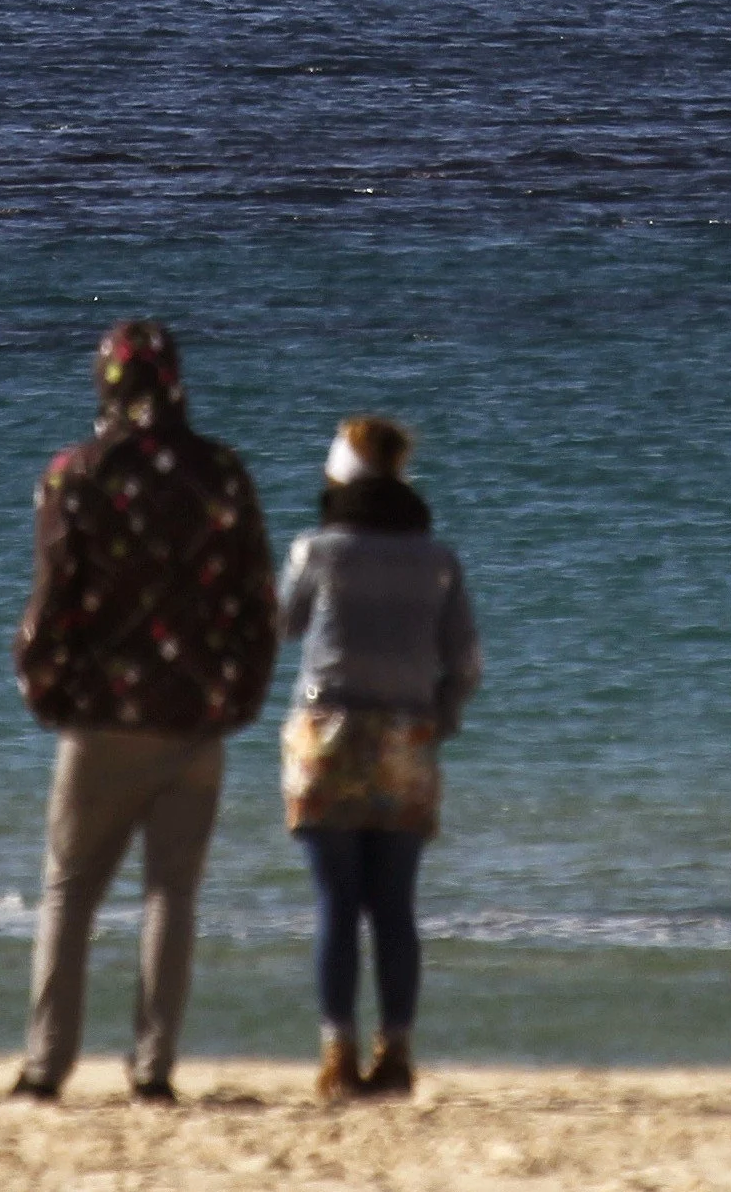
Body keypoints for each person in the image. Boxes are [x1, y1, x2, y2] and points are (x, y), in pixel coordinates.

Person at [10, 319, 277, 1101]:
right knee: (171, 894)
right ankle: (153, 1068)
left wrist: (42, 684)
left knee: (68, 892)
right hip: (195, 717)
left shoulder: (76, 473)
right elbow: (255, 602)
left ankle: (45, 1065)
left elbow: (53, 597)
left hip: (98, 719)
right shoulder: (223, 473)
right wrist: (240, 695)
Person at [275, 414, 482, 1102]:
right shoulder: (438, 559)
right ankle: (395, 1052)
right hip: (404, 736)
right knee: (394, 904)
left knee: (335, 900)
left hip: (325, 735)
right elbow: (465, 664)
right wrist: (437, 721)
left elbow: (282, 624)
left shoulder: (315, 549)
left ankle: (336, 1052)